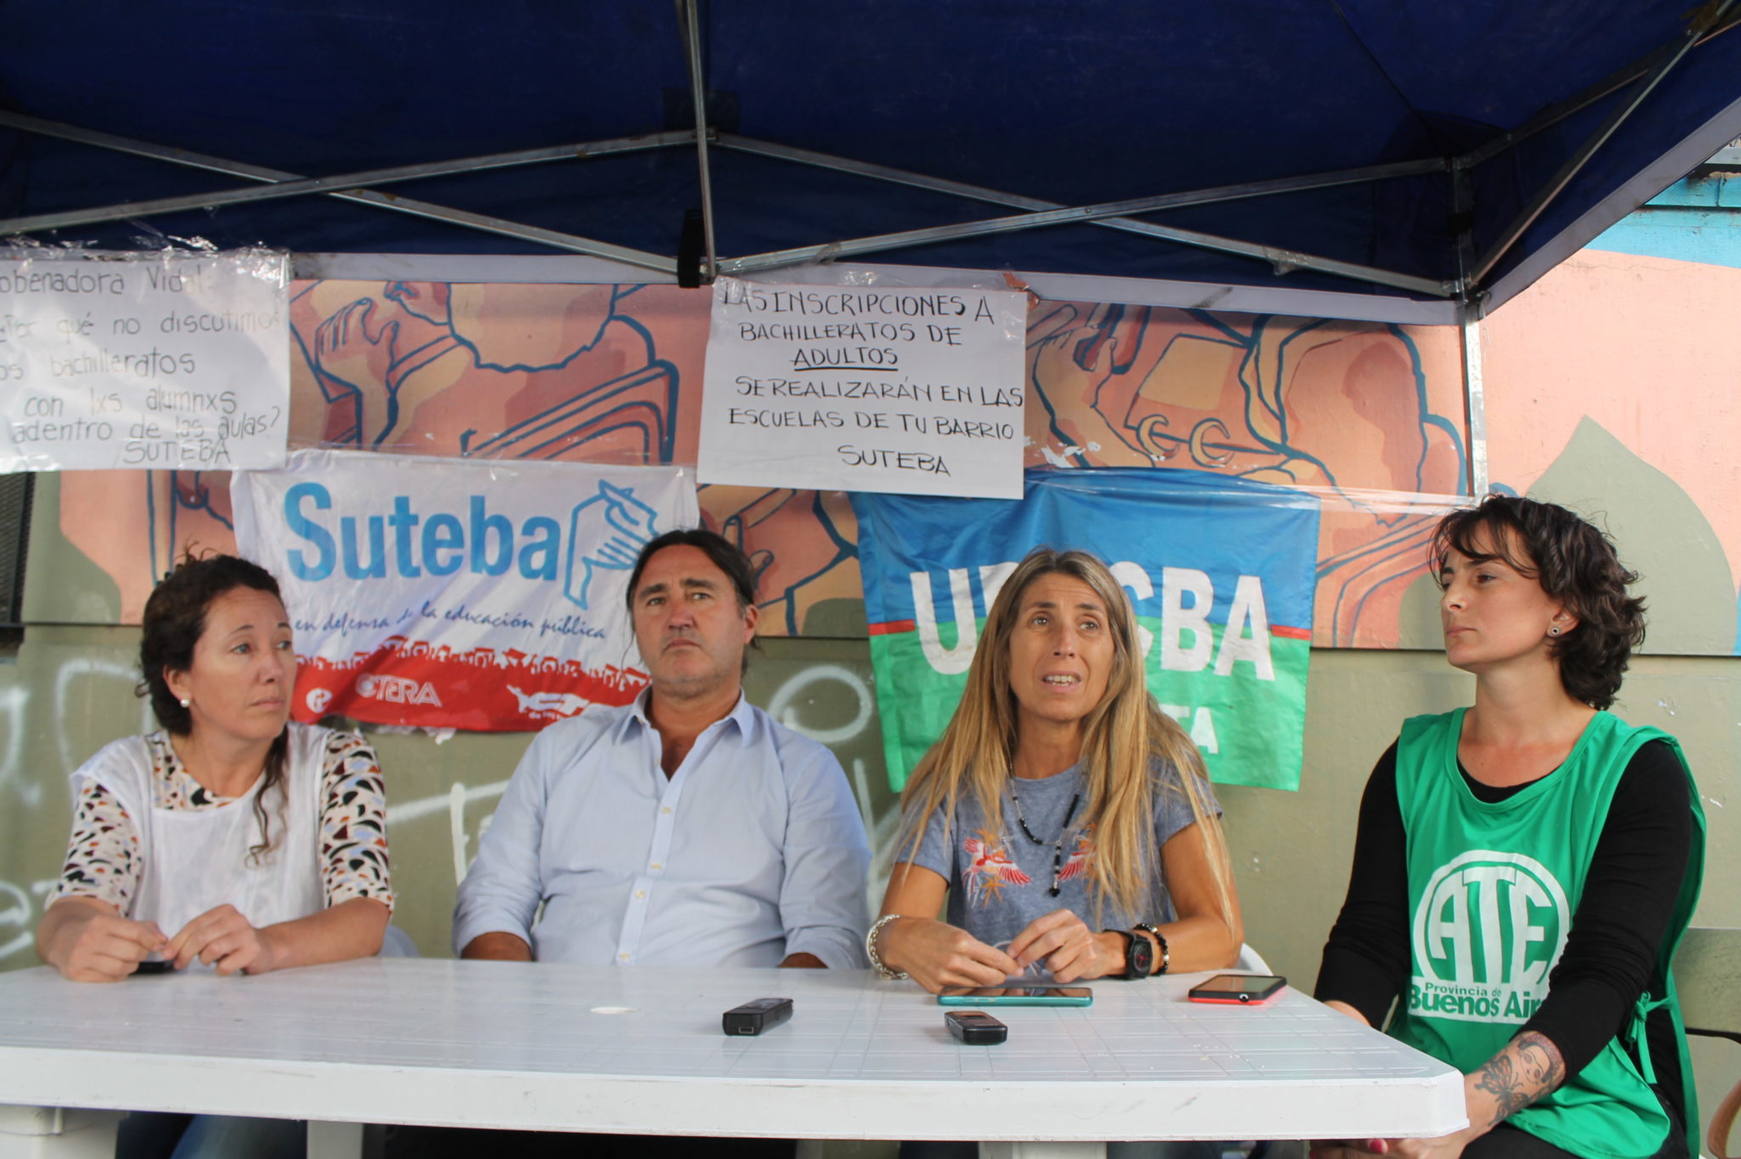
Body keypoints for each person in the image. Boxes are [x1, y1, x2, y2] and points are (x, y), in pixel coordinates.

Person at [1314, 496, 1704, 1159]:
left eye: (1483, 576)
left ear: (1563, 608)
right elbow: (1368, 943)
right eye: (1447, 580)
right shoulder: (1408, 760)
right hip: (1427, 1091)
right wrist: (1333, 1078)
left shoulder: (1639, 770)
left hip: (1589, 1110)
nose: (1452, 600)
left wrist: (1467, 1115)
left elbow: (1601, 979)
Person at [35, 553, 393, 1159]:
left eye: (282, 644)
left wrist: (268, 945)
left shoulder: (336, 763)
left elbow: (365, 913)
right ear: (179, 679)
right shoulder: (126, 775)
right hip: (156, 1050)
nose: (274, 669)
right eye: (243, 649)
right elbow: (74, 908)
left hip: (293, 1051)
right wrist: (75, 940)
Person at [453, 527, 870, 969]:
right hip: (557, 1023)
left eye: (699, 596)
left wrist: (754, 1029)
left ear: (747, 622)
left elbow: (829, 936)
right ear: (635, 626)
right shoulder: (562, 749)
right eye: (655, 600)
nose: (677, 617)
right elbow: (493, 898)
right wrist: (510, 1006)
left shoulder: (803, 771)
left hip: (726, 1031)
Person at [868, 545, 1241, 988]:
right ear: (1003, 650)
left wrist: (1114, 949)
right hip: (989, 1029)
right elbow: (895, 930)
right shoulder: (950, 779)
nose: (1065, 645)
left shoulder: (1160, 768)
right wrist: (896, 938)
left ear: (1116, 658)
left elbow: (1222, 934)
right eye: (1041, 621)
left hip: (1128, 1038)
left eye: (1089, 625)